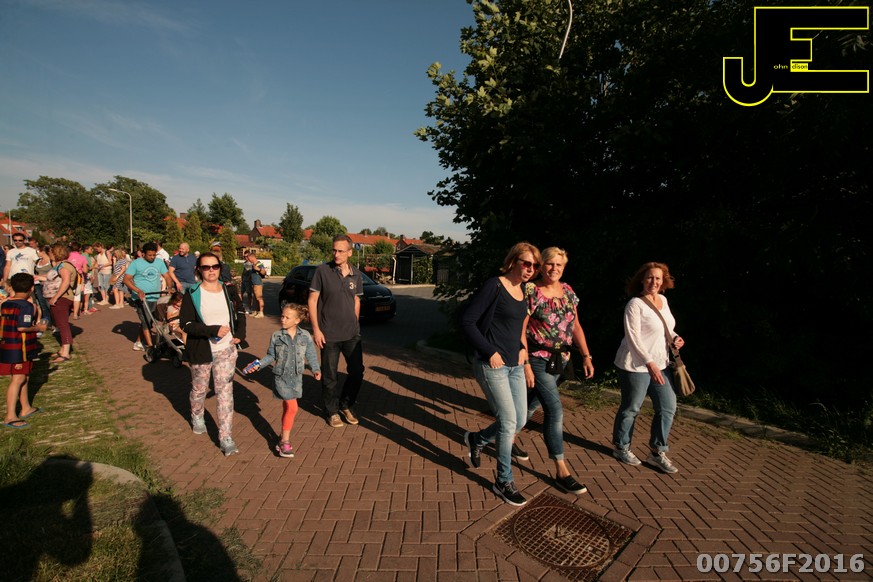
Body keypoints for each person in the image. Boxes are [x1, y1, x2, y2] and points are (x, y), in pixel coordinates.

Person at [461, 242, 541, 506]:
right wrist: (489, 351)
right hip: (491, 364)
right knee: (508, 422)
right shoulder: (494, 286)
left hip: (515, 365)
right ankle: (503, 481)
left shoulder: (523, 290)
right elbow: (468, 321)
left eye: (535, 266)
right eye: (526, 263)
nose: (530, 269)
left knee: (519, 420)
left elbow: (515, 329)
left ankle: (477, 439)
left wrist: (522, 350)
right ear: (513, 261)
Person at [520, 247, 594, 495]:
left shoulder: (568, 291)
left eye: (559, 265)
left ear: (564, 268)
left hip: (561, 360)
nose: (554, 269)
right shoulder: (531, 290)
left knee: (530, 406)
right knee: (554, 409)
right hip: (537, 358)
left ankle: (487, 439)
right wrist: (525, 362)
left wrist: (586, 355)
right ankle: (562, 471)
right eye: (550, 264)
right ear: (541, 266)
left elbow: (576, 326)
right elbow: (520, 328)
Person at [612, 261, 686, 474]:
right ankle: (621, 447)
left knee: (668, 407)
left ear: (664, 281)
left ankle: (657, 452)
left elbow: (665, 328)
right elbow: (633, 337)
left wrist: (675, 337)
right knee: (631, 407)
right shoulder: (635, 304)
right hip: (635, 365)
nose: (654, 281)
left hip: (660, 363)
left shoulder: (663, 300)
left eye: (658, 278)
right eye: (650, 277)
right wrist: (649, 363)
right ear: (642, 280)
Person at [180, 252, 247, 456]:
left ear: (220, 268)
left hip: (226, 350)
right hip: (202, 349)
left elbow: (240, 312)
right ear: (199, 270)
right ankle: (197, 414)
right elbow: (186, 324)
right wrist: (212, 330)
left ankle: (225, 437)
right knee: (199, 388)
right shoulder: (192, 292)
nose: (211, 270)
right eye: (206, 267)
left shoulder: (229, 289)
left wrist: (240, 333)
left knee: (225, 393)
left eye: (215, 266)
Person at [244, 303, 321, 458]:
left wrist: (315, 369)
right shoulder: (276, 336)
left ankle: (283, 434)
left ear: (297, 320)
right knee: (293, 408)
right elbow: (271, 356)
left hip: (297, 378)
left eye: (287, 317)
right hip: (281, 378)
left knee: (288, 408)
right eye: (282, 316)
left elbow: (311, 354)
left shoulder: (305, 336)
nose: (283, 319)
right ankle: (284, 442)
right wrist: (258, 365)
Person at [308, 234, 365, 428]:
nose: (336, 254)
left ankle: (346, 404)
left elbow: (356, 300)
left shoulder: (356, 274)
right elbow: (312, 300)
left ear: (350, 252)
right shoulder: (322, 271)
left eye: (341, 251)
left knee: (357, 372)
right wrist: (316, 329)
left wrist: (355, 322)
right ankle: (331, 411)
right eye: (334, 250)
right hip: (329, 334)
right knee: (330, 376)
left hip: (352, 334)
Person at [1, 273, 48, 429]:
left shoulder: (6, 303)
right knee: (18, 378)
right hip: (19, 347)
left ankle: (26, 407)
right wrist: (38, 327)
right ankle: (10, 416)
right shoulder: (26, 306)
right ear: (31, 288)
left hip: (8, 344)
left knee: (24, 377)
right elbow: (22, 327)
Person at [123, 242, 173, 352]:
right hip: (141, 298)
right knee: (146, 321)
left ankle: (138, 342)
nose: (152, 257)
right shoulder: (136, 263)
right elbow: (126, 279)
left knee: (150, 321)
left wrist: (170, 287)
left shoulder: (159, 262)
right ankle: (151, 347)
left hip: (155, 297)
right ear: (143, 254)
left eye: (154, 255)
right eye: (150, 255)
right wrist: (138, 290)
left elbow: (167, 276)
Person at [44, 243, 78, 364]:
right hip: (59, 298)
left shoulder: (64, 266)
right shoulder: (59, 265)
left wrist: (55, 297)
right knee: (60, 324)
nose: (49, 254)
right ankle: (63, 349)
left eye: (50, 252)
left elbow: (66, 281)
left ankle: (65, 353)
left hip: (62, 298)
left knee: (63, 325)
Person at [32, 245, 54, 328]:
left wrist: (41, 276)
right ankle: (47, 321)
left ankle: (54, 321)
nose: (36, 253)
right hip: (38, 284)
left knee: (49, 303)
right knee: (42, 304)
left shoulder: (51, 261)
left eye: (38, 251)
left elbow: (53, 272)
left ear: (43, 252)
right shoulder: (38, 261)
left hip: (49, 284)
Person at [246, 251, 267, 318]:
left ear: (252, 257)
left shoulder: (259, 264)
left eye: (249, 258)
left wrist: (258, 269)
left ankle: (261, 312)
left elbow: (264, 272)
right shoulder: (253, 265)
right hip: (254, 284)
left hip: (258, 284)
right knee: (255, 298)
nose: (248, 260)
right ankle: (256, 311)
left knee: (259, 298)